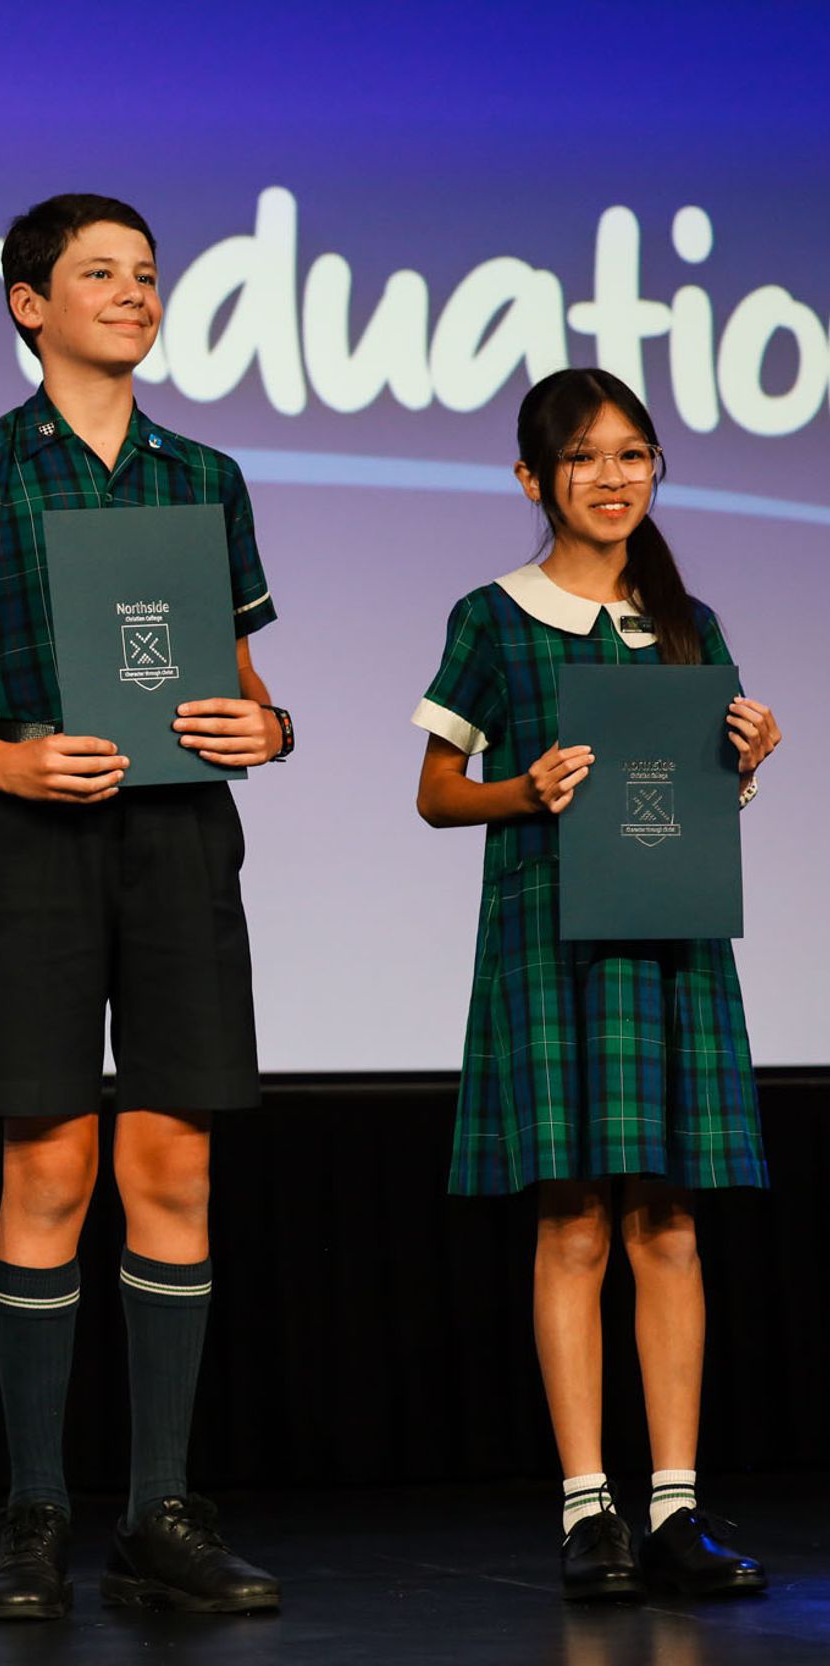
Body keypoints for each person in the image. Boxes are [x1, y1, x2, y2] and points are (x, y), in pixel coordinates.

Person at [0, 192, 288, 1620]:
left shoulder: (203, 473)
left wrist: (267, 728)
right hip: (34, 837)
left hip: (180, 838)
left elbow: (250, 687)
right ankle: (35, 1509)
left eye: (146, 273)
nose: (132, 292)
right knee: (48, 1166)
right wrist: (2, 757)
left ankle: (158, 1507)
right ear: (28, 304)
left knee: (173, 1165)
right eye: (99, 272)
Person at [411, 366, 777, 1603]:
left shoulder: (687, 622)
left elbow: (695, 794)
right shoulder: (492, 617)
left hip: (671, 941)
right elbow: (435, 793)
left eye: (632, 454)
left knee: (667, 1223)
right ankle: (588, 1509)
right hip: (550, 938)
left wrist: (746, 757)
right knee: (571, 1222)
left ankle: (673, 1506)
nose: (612, 477)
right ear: (534, 478)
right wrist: (523, 790)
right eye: (583, 457)